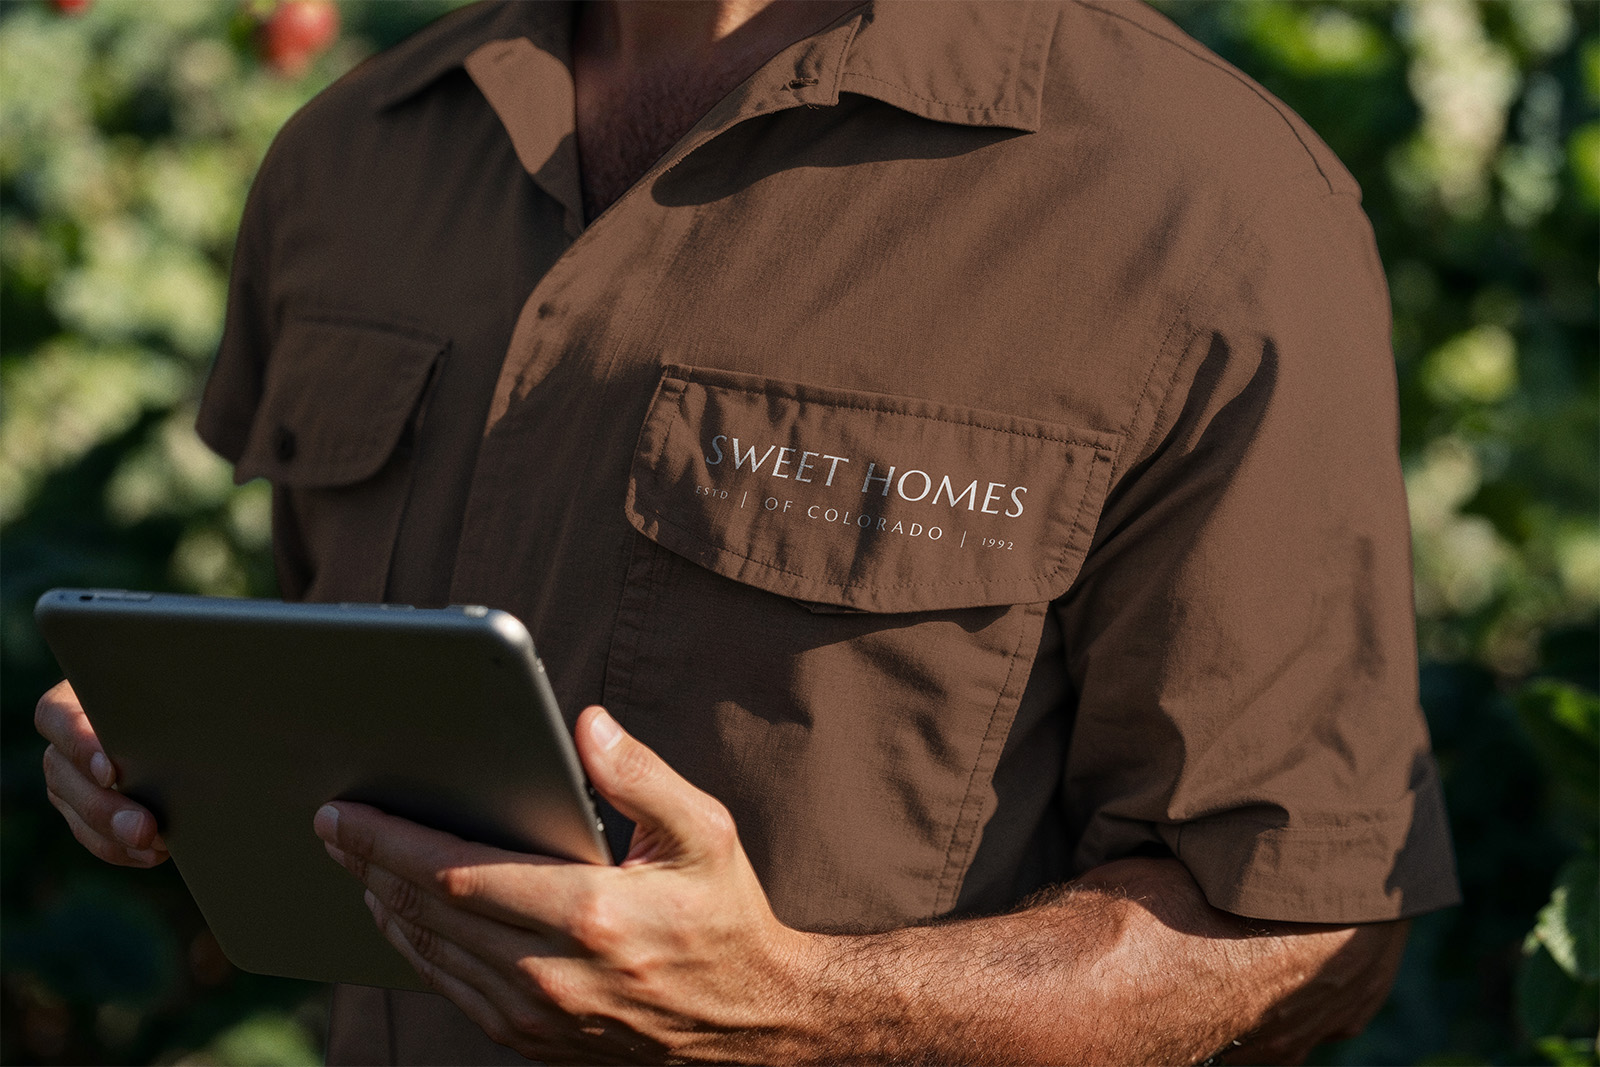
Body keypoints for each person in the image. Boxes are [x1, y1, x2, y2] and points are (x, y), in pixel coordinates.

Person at [36, 1, 1461, 1062]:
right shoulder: (357, 157)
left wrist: (800, 1009)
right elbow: (337, 690)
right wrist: (177, 750)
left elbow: (1303, 932)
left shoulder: (1203, 208)